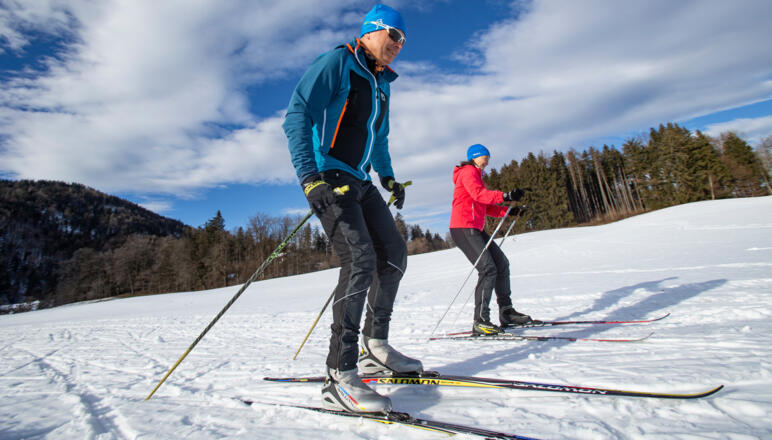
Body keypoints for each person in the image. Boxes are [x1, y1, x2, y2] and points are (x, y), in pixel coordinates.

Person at [282, 5, 421, 414]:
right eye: (394, 36)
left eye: (403, 40)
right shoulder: (338, 61)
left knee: (393, 255)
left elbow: (379, 137)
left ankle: (374, 346)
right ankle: (338, 374)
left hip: (360, 180)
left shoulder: (382, 82)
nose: (398, 45)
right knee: (359, 259)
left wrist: (389, 177)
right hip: (330, 176)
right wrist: (310, 177)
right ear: (372, 31)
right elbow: (297, 114)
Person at [449, 144, 534, 336]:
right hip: (463, 227)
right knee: (488, 269)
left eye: (488, 157)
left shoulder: (477, 175)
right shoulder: (468, 172)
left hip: (475, 228)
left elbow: (484, 206)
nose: (487, 160)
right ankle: (480, 321)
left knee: (501, 264)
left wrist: (509, 211)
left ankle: (506, 313)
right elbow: (480, 195)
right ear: (475, 157)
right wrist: (506, 195)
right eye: (484, 157)